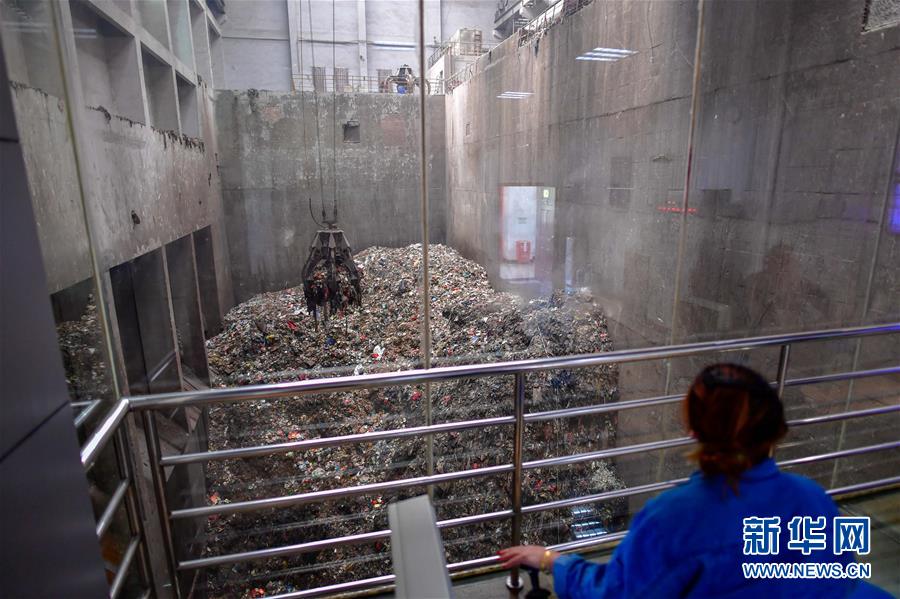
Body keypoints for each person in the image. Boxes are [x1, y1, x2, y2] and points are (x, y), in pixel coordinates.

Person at [498, 363, 888, 598]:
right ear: (774, 432)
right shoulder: (816, 500)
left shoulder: (671, 520)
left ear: (691, 429)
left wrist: (551, 560)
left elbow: (616, 594)